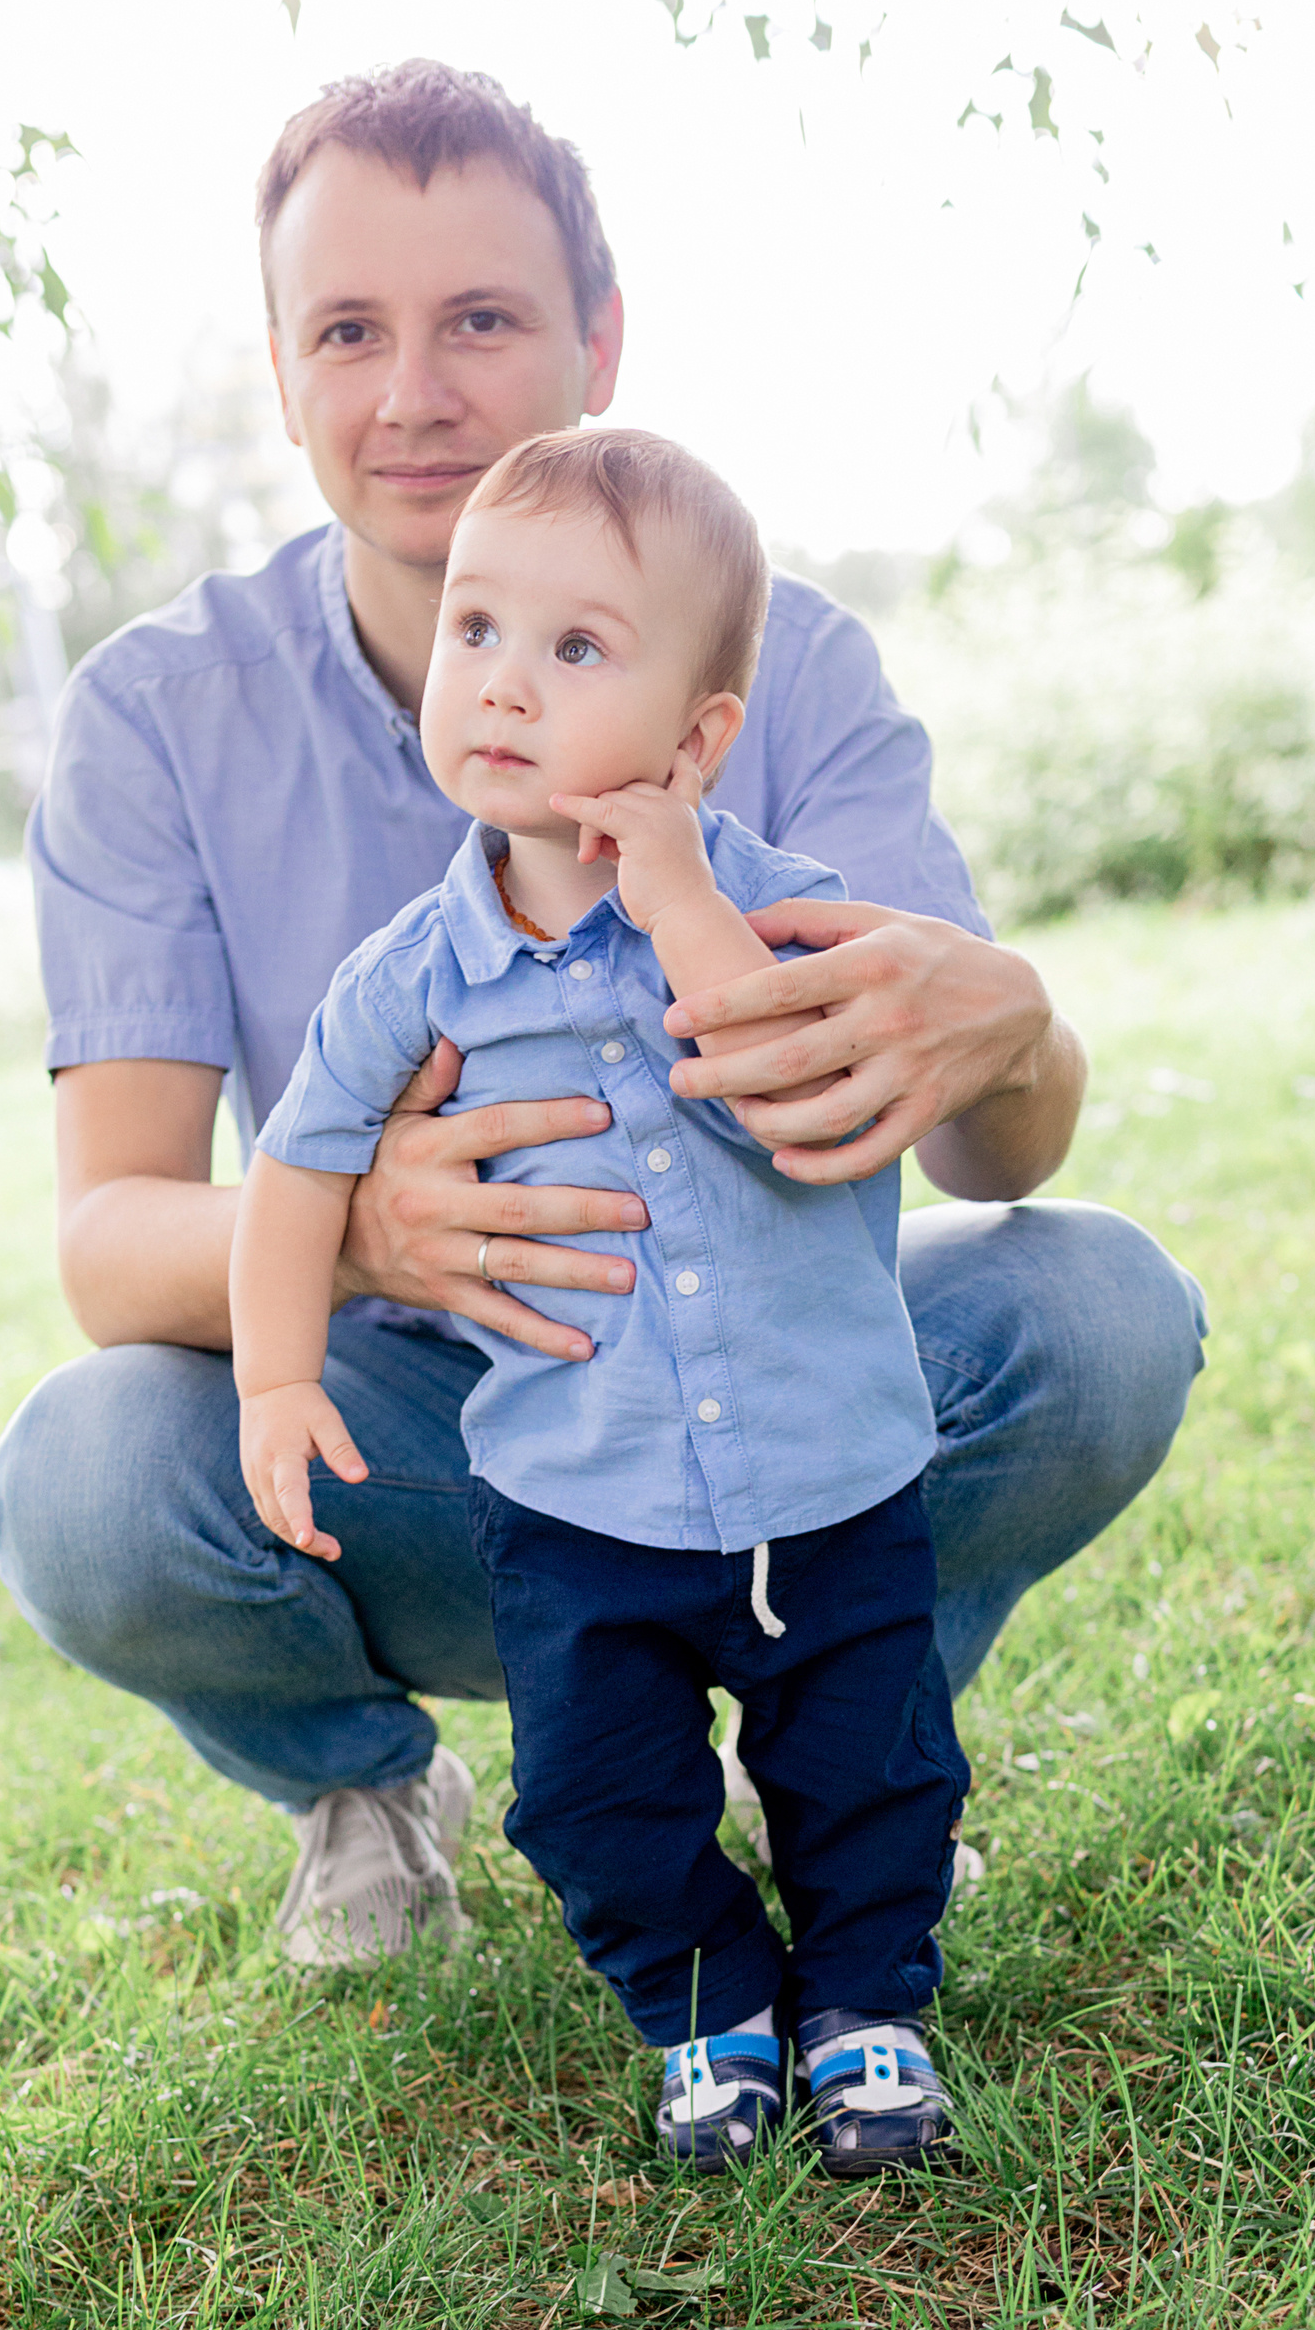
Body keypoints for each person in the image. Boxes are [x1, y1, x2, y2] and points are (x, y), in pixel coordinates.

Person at [0, 57, 1207, 1985]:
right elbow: (111, 1237)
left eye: (480, 319)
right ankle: (368, 1785)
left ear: (599, 340)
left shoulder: (776, 663)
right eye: (348, 332)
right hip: (425, 1452)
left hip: (789, 1404)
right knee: (92, 1478)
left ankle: (850, 1750)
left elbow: (992, 1145)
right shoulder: (159, 715)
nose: (413, 392)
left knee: (1095, 1304)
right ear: (285, 376)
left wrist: (1018, 1024)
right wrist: (366, 1225)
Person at [234, 425, 967, 2172]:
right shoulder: (416, 972)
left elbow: (778, 1087)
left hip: (823, 1470)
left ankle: (866, 2012)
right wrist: (273, 1380)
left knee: (870, 1765)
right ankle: (711, 2017)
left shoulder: (784, 911)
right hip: (582, 1491)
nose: (502, 682)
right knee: (595, 1795)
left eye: (577, 650)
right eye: (476, 631)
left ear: (701, 738)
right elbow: (295, 1170)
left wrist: (683, 895)